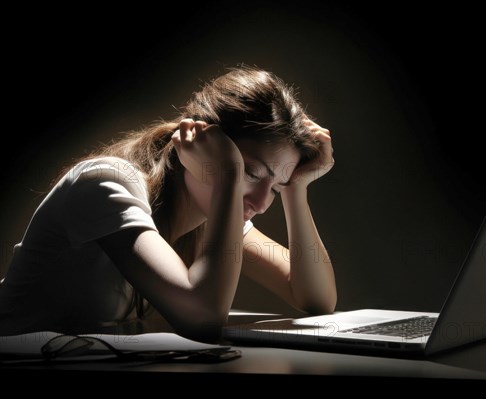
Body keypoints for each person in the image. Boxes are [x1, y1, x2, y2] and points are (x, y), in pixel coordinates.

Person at [0, 66, 336, 340]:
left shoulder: (214, 214)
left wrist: (296, 189)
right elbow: (203, 316)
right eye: (250, 172)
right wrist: (227, 176)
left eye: (274, 188)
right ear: (200, 148)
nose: (262, 203)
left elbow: (315, 297)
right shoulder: (106, 183)